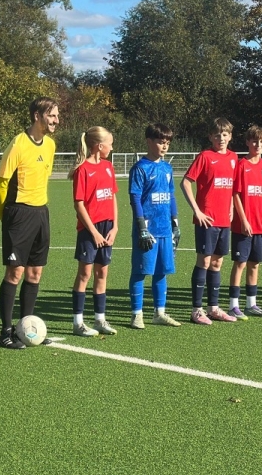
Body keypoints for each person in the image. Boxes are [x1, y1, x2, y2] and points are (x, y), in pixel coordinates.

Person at [0, 97, 61, 350]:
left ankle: (26, 328)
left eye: (56, 116)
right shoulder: (18, 144)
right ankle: (5, 332)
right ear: (37, 116)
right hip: (18, 213)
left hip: (41, 213)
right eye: (51, 115)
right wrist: (6, 217)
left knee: (35, 273)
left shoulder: (51, 145)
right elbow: (1, 184)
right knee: (15, 272)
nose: (56, 120)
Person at [182, 118, 239, 325]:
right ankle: (196, 310)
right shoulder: (205, 156)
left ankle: (213, 308)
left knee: (217, 262)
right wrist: (197, 211)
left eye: (224, 134)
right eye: (217, 135)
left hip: (224, 219)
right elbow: (186, 182)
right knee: (204, 261)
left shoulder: (234, 158)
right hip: (207, 219)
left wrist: (231, 207)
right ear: (210, 137)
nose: (221, 138)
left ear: (230, 136)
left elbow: (232, 186)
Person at [125, 125, 179, 329]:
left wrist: (175, 223)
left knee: (161, 271)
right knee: (140, 271)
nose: (164, 146)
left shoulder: (167, 168)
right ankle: (136, 315)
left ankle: (159, 313)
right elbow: (135, 198)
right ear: (149, 141)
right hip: (147, 230)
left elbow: (171, 196)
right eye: (160, 142)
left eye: (167, 143)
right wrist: (141, 227)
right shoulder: (140, 168)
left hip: (165, 228)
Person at [70, 125, 118, 336]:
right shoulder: (83, 170)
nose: (112, 147)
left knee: (102, 272)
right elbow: (79, 204)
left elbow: (113, 196)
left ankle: (100, 319)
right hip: (89, 228)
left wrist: (115, 226)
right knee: (85, 274)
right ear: (99, 146)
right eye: (110, 143)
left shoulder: (108, 166)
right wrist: (94, 232)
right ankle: (78, 323)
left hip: (107, 227)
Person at [225, 125, 262, 319]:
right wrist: (243, 219)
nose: (258, 145)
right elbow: (235, 194)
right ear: (247, 142)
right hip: (243, 226)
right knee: (240, 263)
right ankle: (233, 305)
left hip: (260, 224)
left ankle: (251, 304)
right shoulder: (241, 165)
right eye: (254, 141)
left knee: (255, 264)